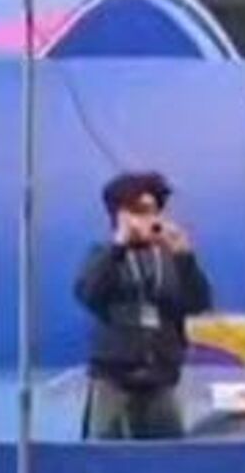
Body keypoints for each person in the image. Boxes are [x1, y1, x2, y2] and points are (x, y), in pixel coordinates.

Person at [75, 171, 213, 440]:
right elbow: (89, 293)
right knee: (105, 449)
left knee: (167, 454)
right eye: (139, 211)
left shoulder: (170, 258)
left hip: (161, 378)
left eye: (153, 210)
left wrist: (185, 258)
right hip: (113, 378)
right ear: (120, 215)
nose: (149, 218)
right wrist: (118, 246)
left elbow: (198, 302)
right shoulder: (102, 255)